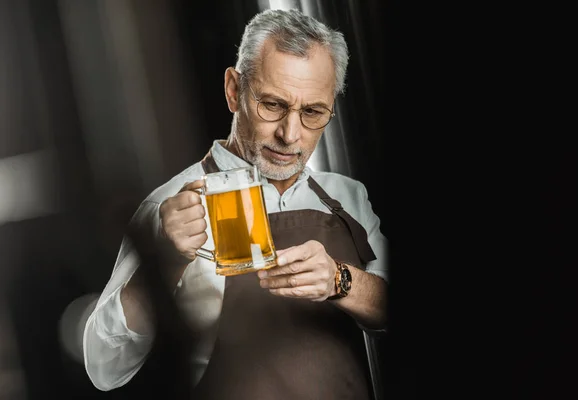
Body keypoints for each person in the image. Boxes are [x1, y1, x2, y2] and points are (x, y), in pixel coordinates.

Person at [82, 8, 389, 400]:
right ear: (233, 90)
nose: (289, 134)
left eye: (312, 112)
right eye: (273, 104)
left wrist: (339, 280)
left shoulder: (348, 198)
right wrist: (167, 258)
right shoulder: (170, 204)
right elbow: (103, 365)